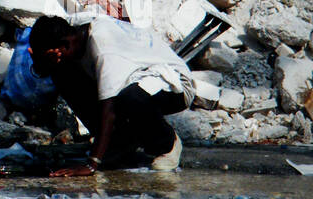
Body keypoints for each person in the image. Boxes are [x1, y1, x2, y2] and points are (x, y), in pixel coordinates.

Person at [28, 14, 194, 175]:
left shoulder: (104, 49)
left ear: (66, 45)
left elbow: (110, 112)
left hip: (173, 82)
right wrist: (42, 63)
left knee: (131, 99)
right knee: (61, 70)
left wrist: (92, 164)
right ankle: (121, 142)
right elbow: (48, 62)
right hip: (131, 79)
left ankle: (167, 144)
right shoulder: (70, 27)